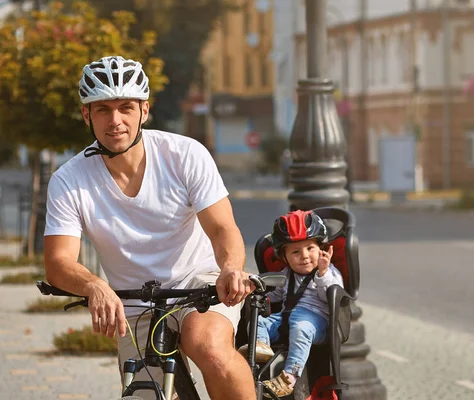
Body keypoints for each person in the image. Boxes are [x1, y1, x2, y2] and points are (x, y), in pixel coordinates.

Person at [44, 55, 256, 400]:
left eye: (126, 108)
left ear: (144, 110)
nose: (115, 120)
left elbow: (222, 229)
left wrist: (230, 268)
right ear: (87, 115)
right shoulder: (68, 180)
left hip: (198, 286)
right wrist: (94, 285)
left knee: (210, 349)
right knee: (145, 392)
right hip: (135, 304)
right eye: (103, 110)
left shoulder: (184, 154)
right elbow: (58, 262)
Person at [239, 210, 344, 398]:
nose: (304, 256)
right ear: (284, 257)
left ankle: (289, 376)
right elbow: (278, 294)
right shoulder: (288, 274)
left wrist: (322, 273)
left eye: (310, 249)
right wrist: (259, 291)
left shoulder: (328, 272)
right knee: (257, 324)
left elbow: (331, 296)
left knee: (301, 325)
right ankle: (261, 348)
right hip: (287, 319)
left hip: (316, 324)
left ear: (320, 248)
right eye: (296, 252)